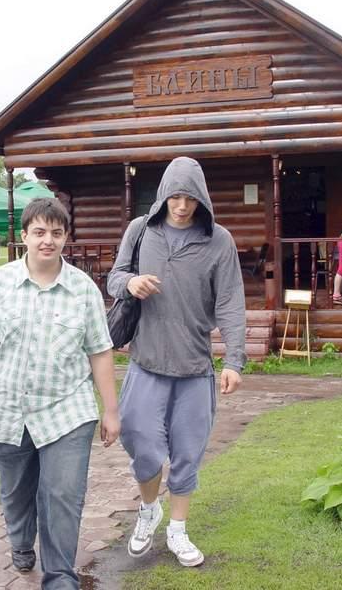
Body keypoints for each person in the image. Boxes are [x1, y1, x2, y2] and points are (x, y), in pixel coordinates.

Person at [0, 197, 120, 589]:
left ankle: (59, 577)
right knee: (16, 493)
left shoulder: (83, 290)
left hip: (68, 409)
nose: (47, 240)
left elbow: (100, 351)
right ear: (24, 236)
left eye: (55, 232)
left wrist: (111, 410)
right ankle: (21, 542)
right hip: (10, 409)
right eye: (39, 232)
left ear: (66, 236)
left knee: (62, 495)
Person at [107, 156, 246, 568]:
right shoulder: (140, 230)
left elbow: (231, 302)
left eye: (190, 198)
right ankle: (149, 508)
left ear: (201, 198)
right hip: (145, 363)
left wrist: (234, 360)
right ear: (163, 194)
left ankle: (178, 529)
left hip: (194, 369)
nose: (182, 206)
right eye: (175, 197)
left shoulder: (218, 240)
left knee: (187, 453)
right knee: (142, 444)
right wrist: (131, 282)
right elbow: (114, 277)